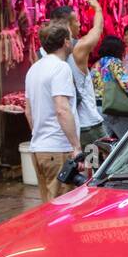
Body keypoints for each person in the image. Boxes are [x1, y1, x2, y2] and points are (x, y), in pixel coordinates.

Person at [25, 21, 81, 201]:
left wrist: (39, 134)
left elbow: (28, 112)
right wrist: (76, 147)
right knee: (62, 208)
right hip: (57, 149)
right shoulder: (61, 67)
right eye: (71, 38)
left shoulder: (34, 69)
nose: (72, 41)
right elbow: (62, 109)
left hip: (39, 149)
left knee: (48, 206)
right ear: (65, 42)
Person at [47, 0, 105, 151]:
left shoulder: (44, 52)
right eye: (77, 21)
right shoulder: (78, 49)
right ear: (68, 25)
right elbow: (97, 29)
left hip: (66, 127)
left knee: (81, 168)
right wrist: (97, 8)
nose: (79, 24)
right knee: (100, 168)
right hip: (88, 125)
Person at [95, 34, 128, 141]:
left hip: (99, 109)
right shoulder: (115, 62)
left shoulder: (96, 65)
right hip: (114, 109)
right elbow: (126, 84)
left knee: (105, 145)